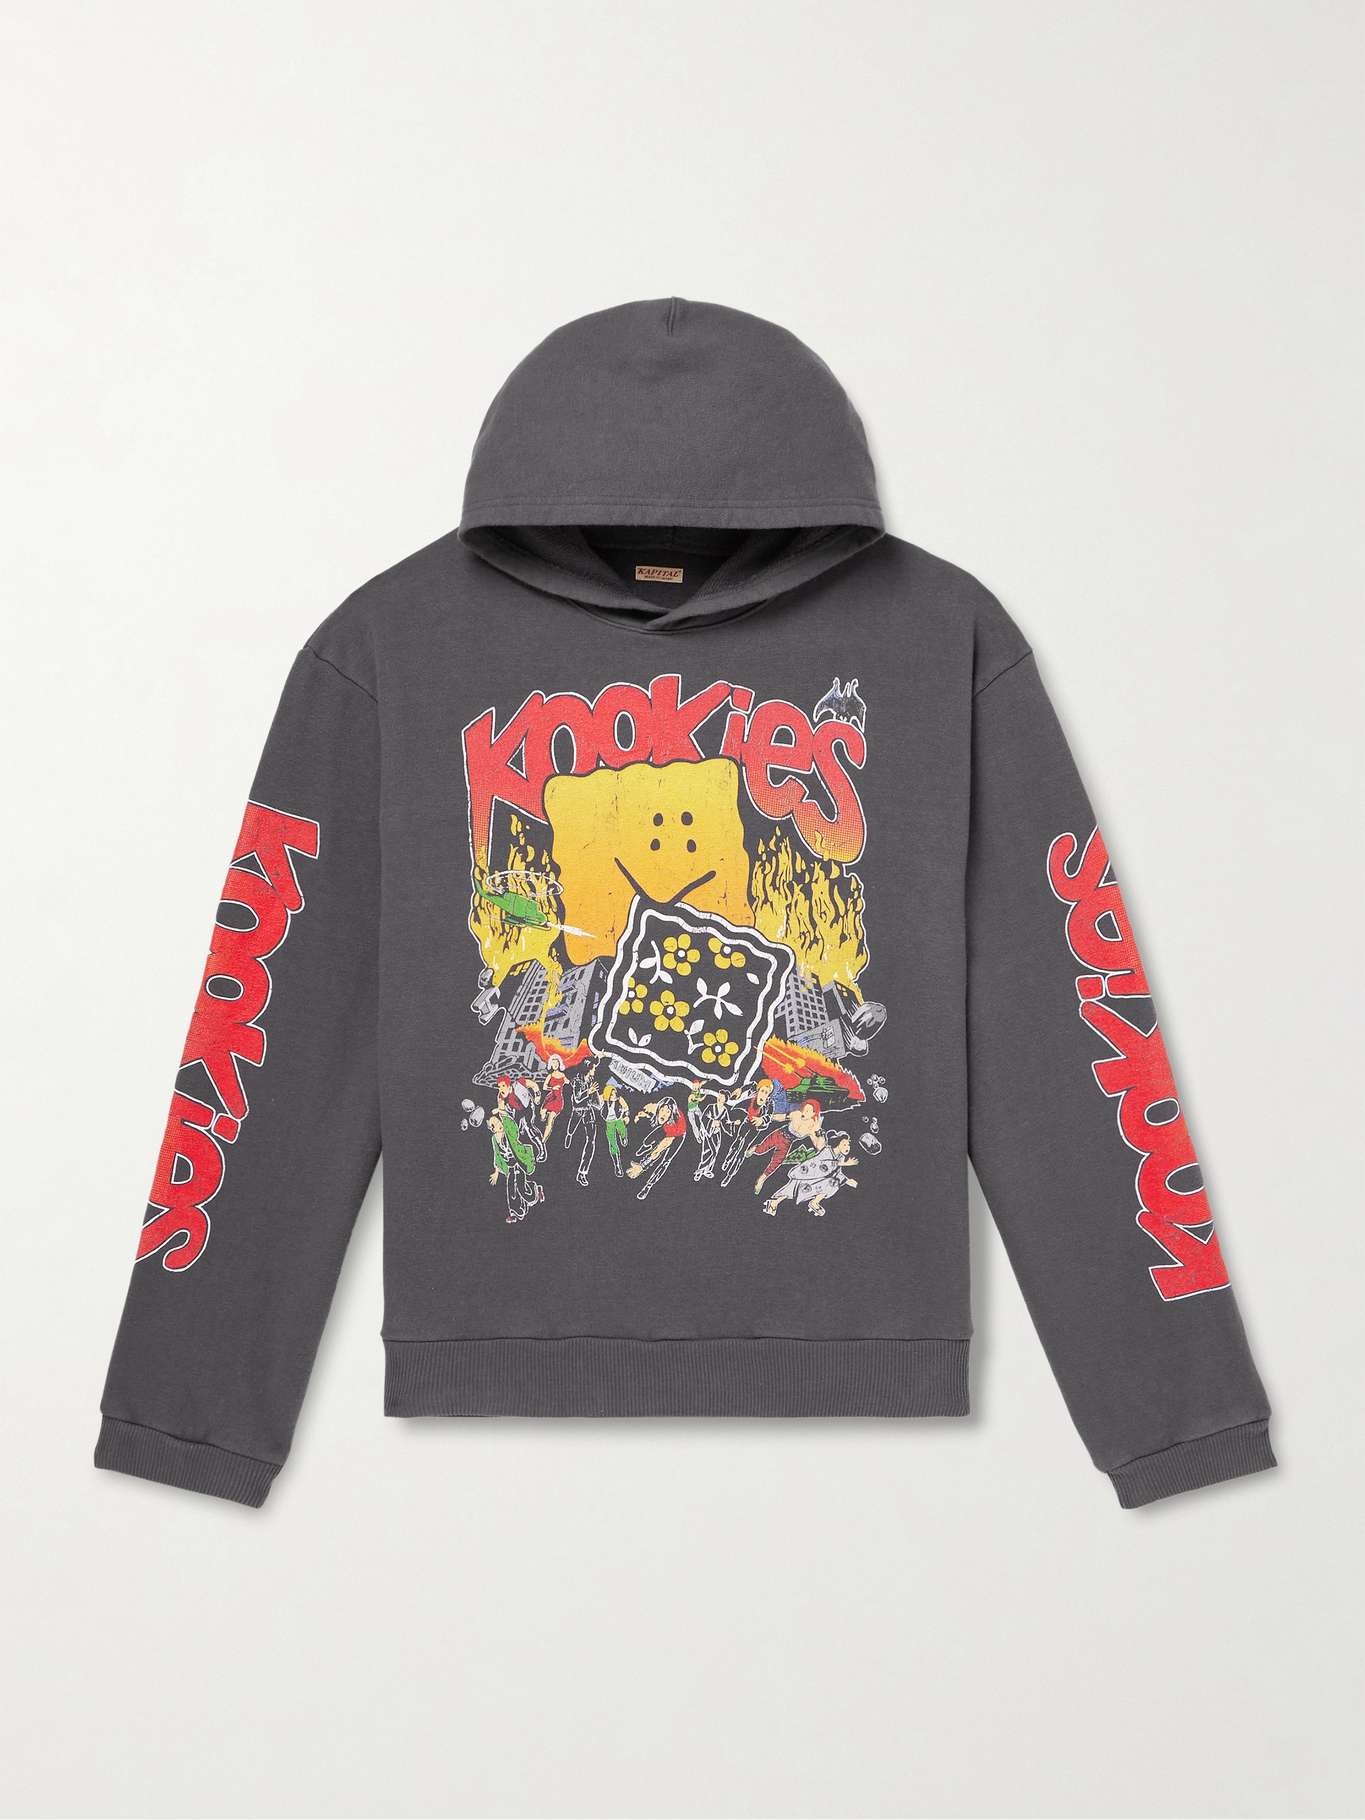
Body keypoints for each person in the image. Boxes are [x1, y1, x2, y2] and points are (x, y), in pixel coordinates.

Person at [764, 1131, 859, 1217]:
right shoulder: (827, 1150)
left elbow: (837, 1173)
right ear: (838, 1143)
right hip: (808, 1173)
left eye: (848, 1145)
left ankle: (815, 1202)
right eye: (844, 1144)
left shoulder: (841, 1157)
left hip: (819, 1178)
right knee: (792, 1188)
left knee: (833, 1183)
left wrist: (847, 1180)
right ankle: (774, 1203)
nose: (847, 1147)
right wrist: (844, 1164)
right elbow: (823, 1165)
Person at [489, 1075, 541, 1222]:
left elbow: (508, 1121)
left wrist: (537, 1096)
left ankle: (536, 1191)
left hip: (519, 1161)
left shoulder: (509, 1130)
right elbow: (497, 1156)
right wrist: (496, 1172)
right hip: (511, 1167)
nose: (501, 1089)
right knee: (511, 1189)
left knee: (523, 1190)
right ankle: (515, 1213)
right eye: (493, 1125)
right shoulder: (494, 1140)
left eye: (503, 1086)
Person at [751, 1096, 824, 1194]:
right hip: (778, 1134)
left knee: (776, 1162)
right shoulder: (796, 1114)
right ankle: (755, 1149)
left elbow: (819, 1146)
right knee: (760, 1150)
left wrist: (819, 1131)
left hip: (787, 1143)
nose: (804, 1112)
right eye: (804, 1109)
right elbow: (781, 1117)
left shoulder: (812, 1127)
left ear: (814, 1113)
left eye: (808, 1111)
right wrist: (765, 1119)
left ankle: (761, 1179)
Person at [627, 1095, 688, 1200]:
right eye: (662, 1110)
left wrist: (642, 1166)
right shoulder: (660, 1109)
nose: (663, 1113)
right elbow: (652, 1108)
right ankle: (642, 1150)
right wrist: (645, 1114)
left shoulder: (673, 1127)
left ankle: (648, 1186)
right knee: (649, 1140)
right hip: (667, 1127)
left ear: (671, 1115)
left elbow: (657, 1152)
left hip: (677, 1136)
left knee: (664, 1161)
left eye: (667, 1112)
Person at [564, 1064, 600, 1186]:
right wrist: (588, 1091)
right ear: (588, 1069)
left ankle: (582, 1173)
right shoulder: (577, 1080)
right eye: (593, 1068)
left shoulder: (591, 1080)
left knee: (591, 1140)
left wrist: (598, 1104)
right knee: (571, 1129)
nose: (595, 1070)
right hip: (578, 1111)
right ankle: (569, 1135)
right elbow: (577, 1098)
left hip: (588, 1111)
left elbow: (595, 1098)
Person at [601, 1082, 630, 1177]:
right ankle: (617, 1165)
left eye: (615, 1093)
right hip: (609, 1122)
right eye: (612, 1094)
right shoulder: (603, 1099)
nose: (614, 1096)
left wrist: (626, 1115)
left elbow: (626, 1107)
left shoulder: (619, 1099)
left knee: (622, 1131)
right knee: (612, 1143)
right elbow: (594, 1102)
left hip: (618, 1119)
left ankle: (624, 1137)